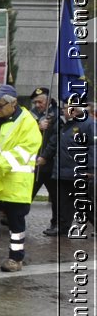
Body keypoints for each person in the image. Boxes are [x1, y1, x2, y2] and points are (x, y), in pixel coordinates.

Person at [0, 84, 42, 271]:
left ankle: (16, 258)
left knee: (15, 222)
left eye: (0, 105)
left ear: (13, 103)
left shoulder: (28, 123)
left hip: (15, 183)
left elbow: (24, 151)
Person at [46, 100, 92, 238]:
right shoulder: (66, 125)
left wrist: (90, 169)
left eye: (66, 109)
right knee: (64, 202)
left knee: (85, 203)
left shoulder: (89, 125)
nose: (63, 111)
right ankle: (62, 227)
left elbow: (93, 148)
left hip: (79, 172)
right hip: (64, 171)